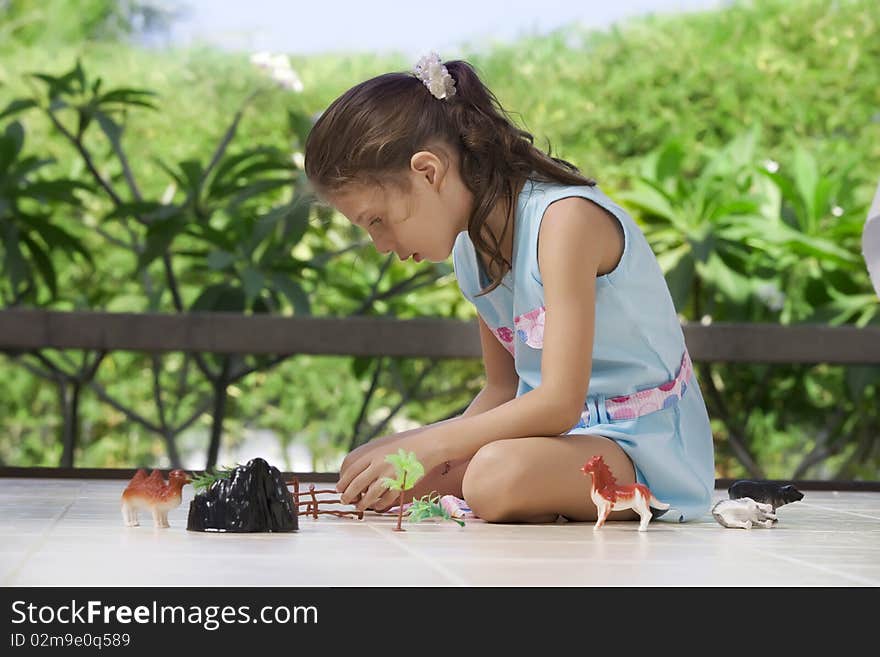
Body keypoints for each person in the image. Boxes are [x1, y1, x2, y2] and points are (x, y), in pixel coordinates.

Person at [303, 52, 715, 524]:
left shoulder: (564, 222)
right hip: (556, 442)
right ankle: (538, 495)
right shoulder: (470, 252)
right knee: (382, 477)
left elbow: (559, 402)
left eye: (377, 220)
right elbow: (503, 389)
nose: (379, 244)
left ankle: (547, 495)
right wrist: (406, 450)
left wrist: (429, 443)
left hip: (644, 446)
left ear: (429, 171)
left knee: (493, 476)